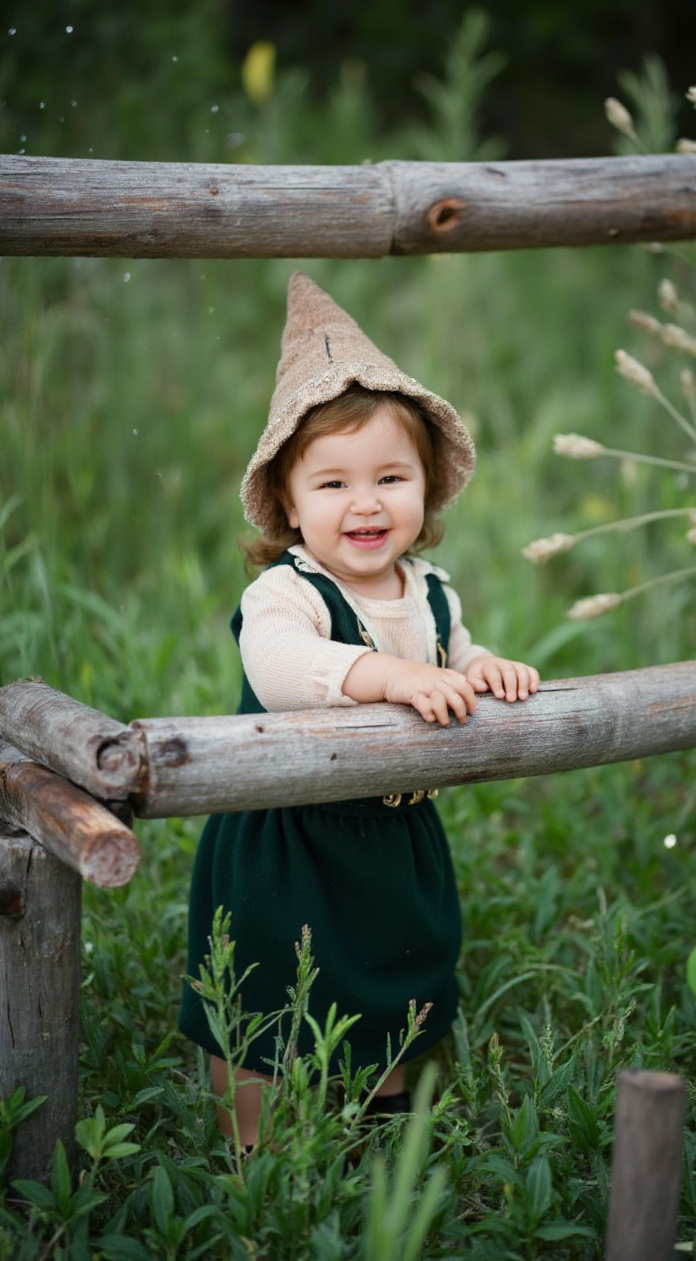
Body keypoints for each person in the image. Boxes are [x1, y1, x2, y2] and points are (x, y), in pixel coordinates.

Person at [179, 272, 539, 1145]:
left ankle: (379, 1129)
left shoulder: (432, 591)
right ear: (290, 504)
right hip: (285, 839)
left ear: (427, 487)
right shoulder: (285, 594)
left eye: (390, 476)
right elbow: (281, 669)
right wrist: (393, 678)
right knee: (264, 990)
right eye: (333, 485)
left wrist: (483, 667)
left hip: (395, 839)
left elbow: (450, 654)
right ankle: (251, 1147)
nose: (367, 502)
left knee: (396, 976)